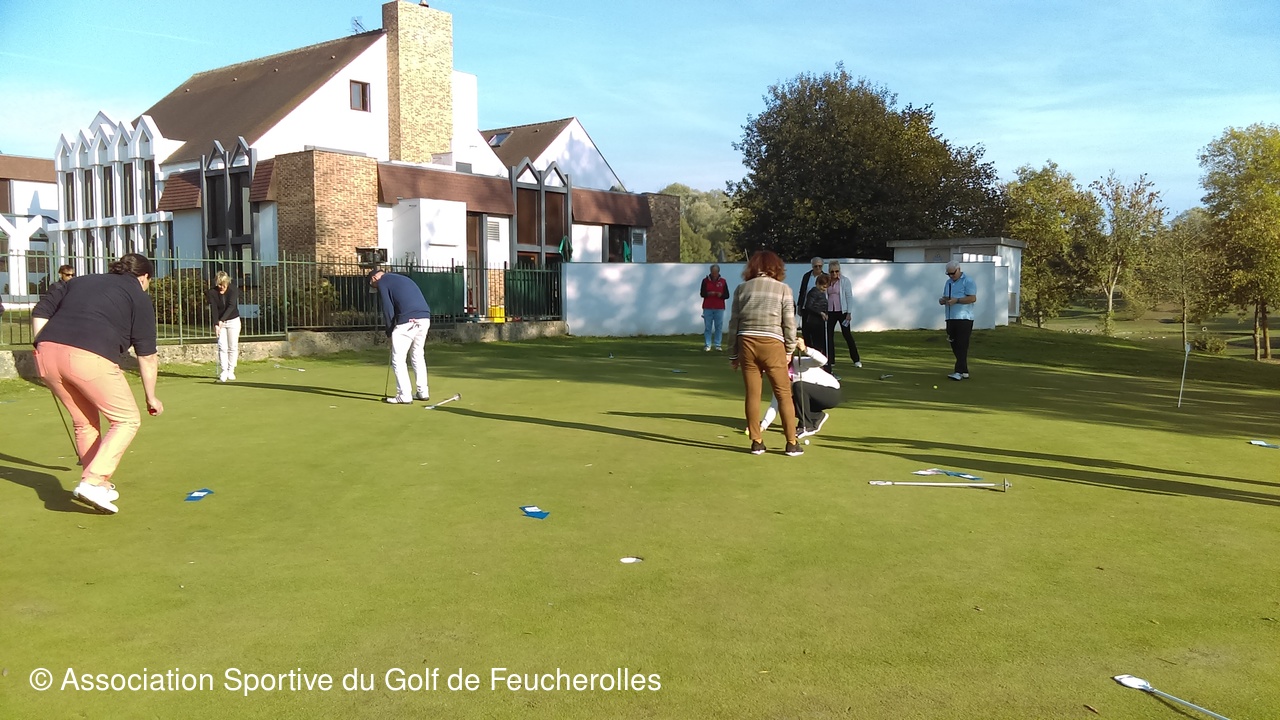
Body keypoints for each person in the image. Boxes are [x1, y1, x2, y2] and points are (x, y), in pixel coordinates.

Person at [31, 253, 164, 514]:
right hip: (88, 358)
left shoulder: (80, 281)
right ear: (144, 277)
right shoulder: (138, 295)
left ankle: (97, 484)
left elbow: (41, 310)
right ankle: (92, 482)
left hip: (46, 354)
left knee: (84, 422)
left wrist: (41, 345)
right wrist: (151, 396)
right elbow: (147, 355)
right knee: (127, 420)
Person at [727, 249, 802, 457]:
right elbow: (789, 323)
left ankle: (757, 442)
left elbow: (734, 323)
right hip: (773, 343)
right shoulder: (784, 289)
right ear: (776, 268)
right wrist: (789, 349)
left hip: (746, 342)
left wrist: (733, 354)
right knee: (783, 393)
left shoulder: (741, 289)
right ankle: (791, 443)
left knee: (753, 394)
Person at [368, 268, 432, 404]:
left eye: (373, 286)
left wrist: (389, 331)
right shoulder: (401, 278)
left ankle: (404, 395)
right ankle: (423, 392)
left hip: (409, 320)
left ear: (374, 278)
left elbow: (388, 308)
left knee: (398, 359)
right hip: (425, 318)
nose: (376, 288)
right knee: (417, 354)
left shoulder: (383, 281)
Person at [761, 339, 841, 439]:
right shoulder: (780, 377)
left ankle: (806, 426)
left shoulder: (799, 362)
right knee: (785, 402)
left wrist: (805, 349)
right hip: (813, 398)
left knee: (798, 386)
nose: (785, 358)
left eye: (787, 354)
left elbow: (823, 361)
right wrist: (763, 426)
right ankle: (816, 416)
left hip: (831, 393)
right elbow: (775, 404)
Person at [939, 260, 977, 380]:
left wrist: (957, 300)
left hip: (964, 317)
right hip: (950, 317)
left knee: (961, 344)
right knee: (954, 344)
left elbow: (972, 298)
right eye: (948, 274)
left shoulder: (968, 281)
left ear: (958, 269)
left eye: (953, 273)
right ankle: (964, 370)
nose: (951, 276)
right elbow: (947, 296)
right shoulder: (948, 283)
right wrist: (943, 300)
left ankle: (958, 371)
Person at [824, 260, 861, 373]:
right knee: (829, 336)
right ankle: (831, 360)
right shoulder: (826, 281)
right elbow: (824, 295)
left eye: (836, 271)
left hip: (842, 312)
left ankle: (856, 359)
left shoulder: (845, 281)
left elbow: (849, 297)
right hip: (830, 312)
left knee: (847, 335)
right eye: (832, 271)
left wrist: (849, 313)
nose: (834, 274)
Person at [206, 271, 241, 383]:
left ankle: (231, 370)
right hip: (220, 323)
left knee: (233, 346)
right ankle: (224, 370)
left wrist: (222, 320)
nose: (221, 287)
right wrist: (216, 324)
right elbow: (214, 309)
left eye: (223, 284)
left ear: (227, 282)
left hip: (233, 320)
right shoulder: (212, 292)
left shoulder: (233, 289)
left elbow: (231, 306)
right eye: (219, 284)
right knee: (222, 346)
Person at [800, 271, 830, 360]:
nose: (824, 289)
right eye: (823, 287)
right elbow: (808, 306)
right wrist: (820, 313)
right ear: (818, 284)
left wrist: (826, 313)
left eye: (826, 287)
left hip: (820, 322)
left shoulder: (822, 294)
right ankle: (814, 361)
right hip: (812, 322)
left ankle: (821, 361)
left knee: (820, 344)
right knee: (816, 344)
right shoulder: (813, 292)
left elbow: (824, 306)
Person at [699, 264, 728, 351]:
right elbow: (702, 294)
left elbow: (727, 295)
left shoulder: (723, 281)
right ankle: (707, 345)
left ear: (718, 272)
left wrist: (721, 295)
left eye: (715, 272)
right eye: (712, 272)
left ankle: (718, 344)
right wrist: (708, 294)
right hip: (707, 307)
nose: (714, 274)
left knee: (718, 327)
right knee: (708, 327)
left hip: (719, 307)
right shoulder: (705, 281)